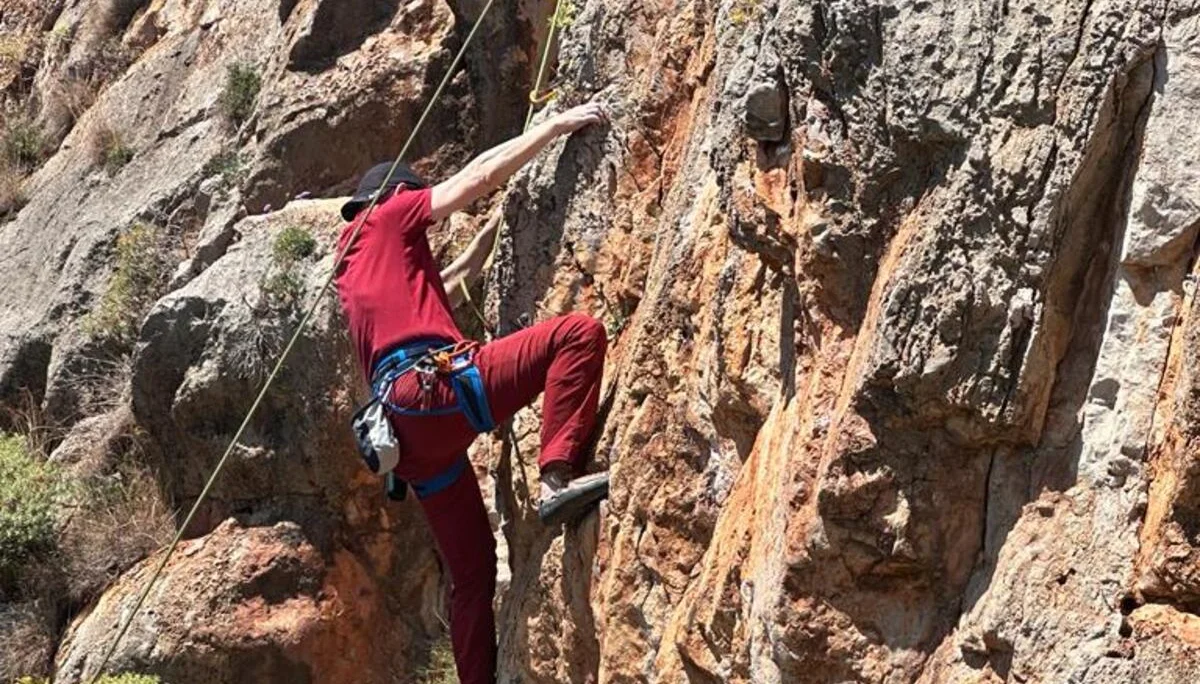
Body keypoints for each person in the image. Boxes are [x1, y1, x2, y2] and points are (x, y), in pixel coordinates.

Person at [334, 103, 611, 684]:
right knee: (576, 336)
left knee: (474, 573)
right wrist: (553, 127)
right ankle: (556, 478)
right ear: (394, 198)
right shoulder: (390, 216)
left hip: (407, 439)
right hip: (437, 391)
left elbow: (448, 278)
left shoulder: (353, 264)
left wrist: (492, 235)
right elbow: (476, 177)